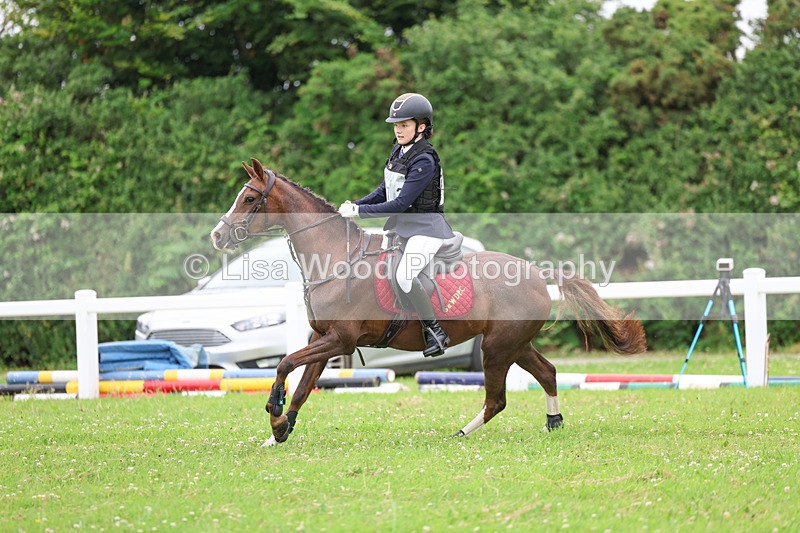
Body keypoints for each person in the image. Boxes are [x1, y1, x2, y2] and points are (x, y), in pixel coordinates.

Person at [338, 93, 453, 357]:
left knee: (404, 275)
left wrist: (360, 212)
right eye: (396, 125)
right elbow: (384, 191)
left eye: (404, 125)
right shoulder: (399, 151)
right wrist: (354, 205)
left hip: (427, 229)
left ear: (421, 127)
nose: (398, 130)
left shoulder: (424, 159)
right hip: (404, 228)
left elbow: (400, 204)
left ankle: (435, 331)